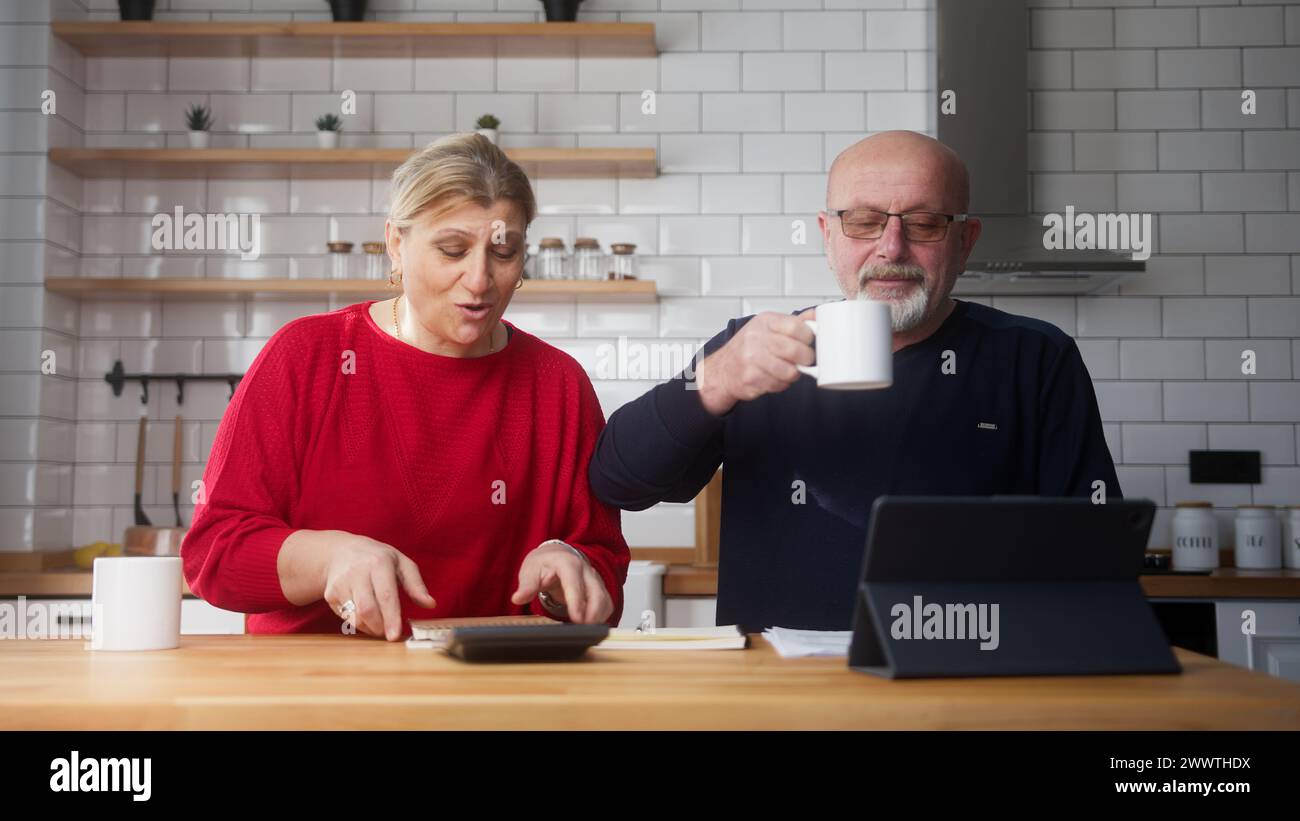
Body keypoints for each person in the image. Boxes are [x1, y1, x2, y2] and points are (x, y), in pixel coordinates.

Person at [589, 130, 1120, 633]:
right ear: (827, 235)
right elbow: (618, 482)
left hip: (969, 681)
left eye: (925, 223)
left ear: (965, 240)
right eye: (864, 221)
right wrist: (711, 382)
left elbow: (1096, 552)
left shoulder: (1036, 358)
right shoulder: (752, 350)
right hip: (781, 694)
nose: (891, 248)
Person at [183, 133, 630, 640]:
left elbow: (603, 563)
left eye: (503, 252)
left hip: (493, 698)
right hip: (314, 699)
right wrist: (328, 558)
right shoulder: (306, 357)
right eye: (453, 249)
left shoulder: (557, 385)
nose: (479, 279)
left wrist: (567, 569)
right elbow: (212, 555)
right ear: (396, 243)